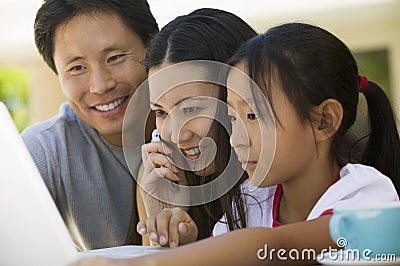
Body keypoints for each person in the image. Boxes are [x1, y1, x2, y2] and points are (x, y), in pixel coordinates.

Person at [70, 22, 399, 265]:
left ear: (324, 120)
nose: (238, 138)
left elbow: (270, 247)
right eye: (233, 119)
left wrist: (148, 263)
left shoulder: (367, 197)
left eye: (253, 116)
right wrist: (175, 244)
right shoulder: (251, 200)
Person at [21, 0, 158, 251]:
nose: (100, 85)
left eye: (115, 58)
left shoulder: (206, 125)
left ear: (153, 47)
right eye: (77, 68)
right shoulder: (43, 152)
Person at [133, 8, 257, 246]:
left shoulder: (278, 180)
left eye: (191, 109)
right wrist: (163, 225)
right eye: (161, 112)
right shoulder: (157, 179)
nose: (177, 135)